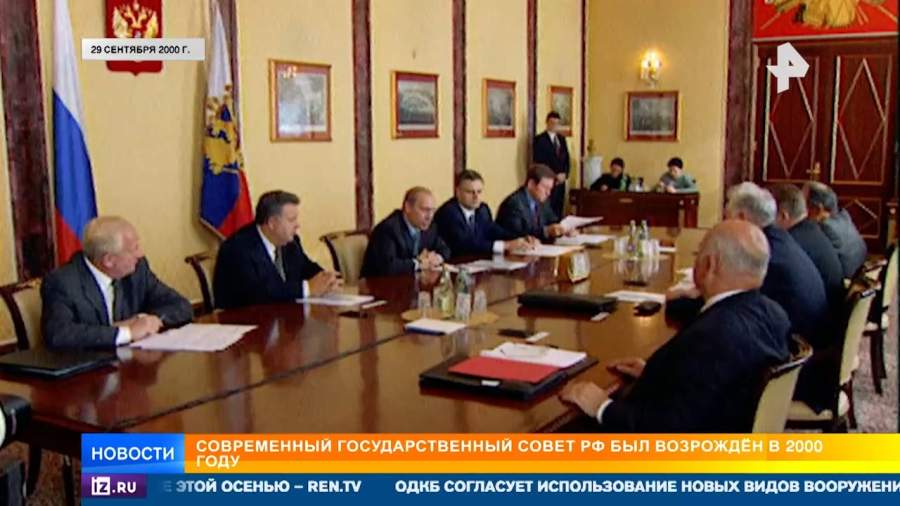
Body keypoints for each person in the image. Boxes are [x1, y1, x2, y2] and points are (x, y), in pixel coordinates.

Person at [560, 220, 790, 432]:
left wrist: (602, 407)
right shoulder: (774, 314)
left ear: (709, 265)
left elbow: (666, 431)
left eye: (698, 253)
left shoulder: (711, 336)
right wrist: (659, 374)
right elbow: (712, 384)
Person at [41, 216, 193, 349]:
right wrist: (127, 332)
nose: (140, 254)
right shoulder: (62, 282)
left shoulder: (137, 270)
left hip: (129, 363)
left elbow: (181, 306)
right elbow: (59, 334)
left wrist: (149, 320)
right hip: (88, 367)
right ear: (109, 260)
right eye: (134, 249)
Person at [213, 190, 340, 309]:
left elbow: (306, 267)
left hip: (282, 318)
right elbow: (260, 294)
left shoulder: (290, 243)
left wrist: (326, 279)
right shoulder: (238, 249)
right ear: (272, 223)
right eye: (291, 220)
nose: (297, 225)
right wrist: (307, 288)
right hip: (244, 320)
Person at [770, 183, 845, 311]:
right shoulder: (811, 230)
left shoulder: (791, 242)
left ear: (783, 216)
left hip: (820, 316)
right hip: (829, 309)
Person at [434, 170, 536, 258]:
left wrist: (521, 239)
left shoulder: (482, 209)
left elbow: (494, 231)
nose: (476, 197)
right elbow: (466, 245)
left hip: (478, 263)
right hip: (456, 265)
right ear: (458, 192)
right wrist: (505, 245)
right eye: (470, 192)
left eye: (479, 192)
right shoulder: (449, 212)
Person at [360, 187, 451, 278]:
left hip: (411, 281)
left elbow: (445, 249)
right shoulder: (388, 229)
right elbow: (388, 266)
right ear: (408, 207)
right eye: (424, 210)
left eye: (432, 211)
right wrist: (419, 264)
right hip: (379, 284)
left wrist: (437, 258)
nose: (429, 216)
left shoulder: (429, 227)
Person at [803, 181, 867, 278]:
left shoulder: (824, 227)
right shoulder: (843, 216)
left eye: (802, 202)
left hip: (845, 282)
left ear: (817, 209)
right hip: (859, 272)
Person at [496, 164, 567, 242]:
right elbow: (517, 235)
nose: (548, 193)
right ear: (531, 184)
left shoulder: (542, 201)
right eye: (545, 188)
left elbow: (553, 221)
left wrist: (563, 230)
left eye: (550, 189)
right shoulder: (514, 204)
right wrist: (546, 231)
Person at [532, 111, 570, 217]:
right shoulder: (540, 140)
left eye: (556, 123)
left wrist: (565, 174)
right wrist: (553, 176)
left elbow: (566, 159)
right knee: (548, 209)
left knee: (559, 209)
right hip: (547, 181)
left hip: (560, 182)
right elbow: (539, 161)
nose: (554, 126)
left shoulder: (562, 139)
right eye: (552, 123)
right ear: (547, 123)